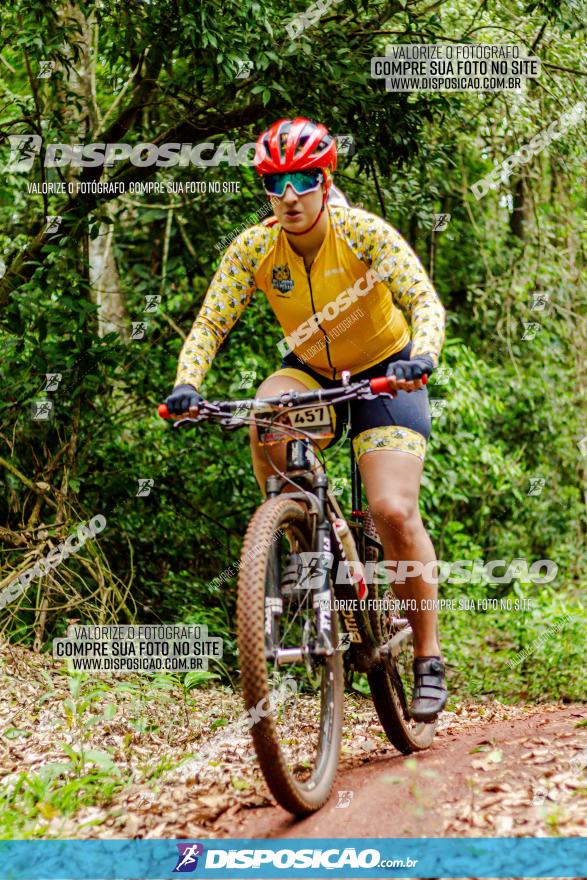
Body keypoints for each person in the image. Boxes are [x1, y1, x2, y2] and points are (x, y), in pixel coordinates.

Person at [165, 117, 447, 721]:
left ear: (324, 179)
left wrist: (422, 356)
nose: (289, 195)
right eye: (275, 182)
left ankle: (428, 657)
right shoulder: (254, 248)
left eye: (302, 179)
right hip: (312, 369)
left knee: (393, 510)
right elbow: (212, 323)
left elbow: (422, 297)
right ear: (265, 189)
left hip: (386, 370)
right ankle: (298, 531)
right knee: (267, 413)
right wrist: (187, 384)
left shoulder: (361, 232)